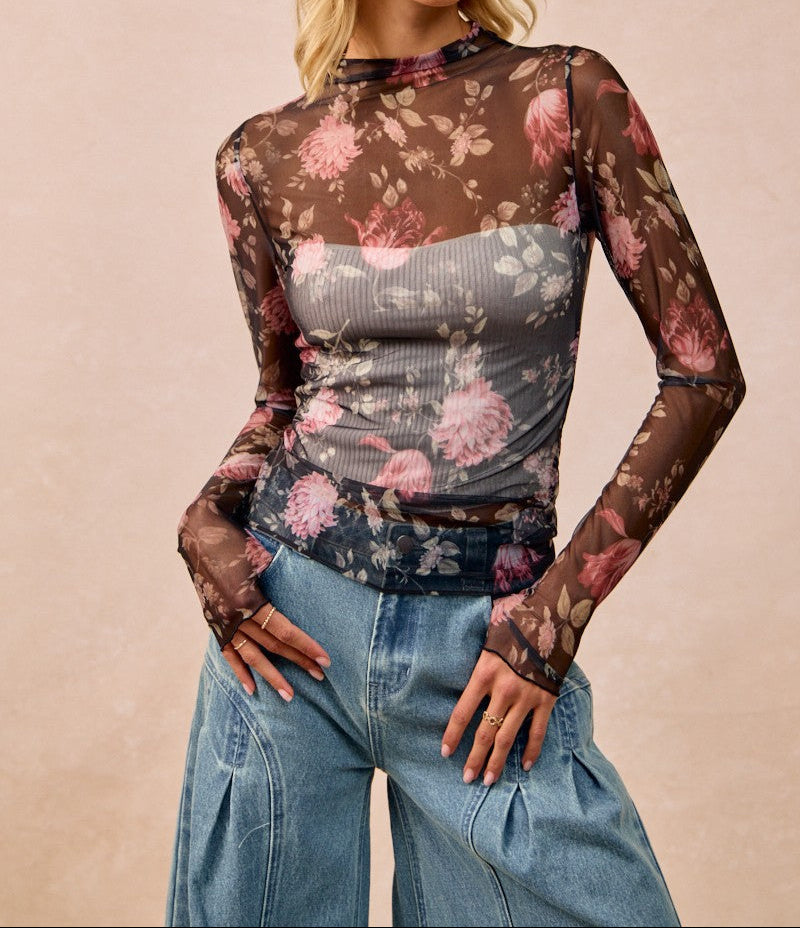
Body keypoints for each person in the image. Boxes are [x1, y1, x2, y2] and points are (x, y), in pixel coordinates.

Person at [166, 1, 746, 925]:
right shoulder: (259, 156)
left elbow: (704, 375)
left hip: (485, 643)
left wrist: (550, 621)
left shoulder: (566, 94)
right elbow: (282, 398)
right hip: (287, 624)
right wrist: (204, 519)